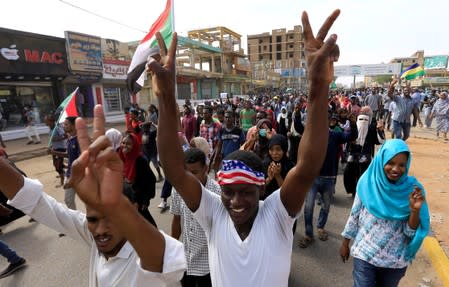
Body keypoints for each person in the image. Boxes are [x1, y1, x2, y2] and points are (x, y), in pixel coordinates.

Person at [151, 9, 340, 286]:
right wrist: (167, 99)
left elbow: (307, 166)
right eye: (228, 192)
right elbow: (174, 170)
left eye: (246, 192)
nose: (235, 202)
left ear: (262, 188)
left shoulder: (277, 213)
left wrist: (318, 87)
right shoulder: (214, 213)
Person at [0, 105, 186, 286]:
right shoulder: (90, 232)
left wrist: (117, 206)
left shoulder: (145, 251)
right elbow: (35, 202)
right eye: (93, 219)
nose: (100, 230)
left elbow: (170, 260)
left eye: (112, 217)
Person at [340, 139, 430, 287]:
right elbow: (354, 215)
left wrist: (414, 211)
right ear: (381, 160)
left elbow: (410, 233)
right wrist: (345, 243)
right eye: (390, 163)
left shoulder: (412, 190)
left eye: (401, 165)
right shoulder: (367, 182)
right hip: (365, 255)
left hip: (394, 262)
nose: (395, 169)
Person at [299, 111, 357, 248]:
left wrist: (353, 124)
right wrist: (296, 115)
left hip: (329, 179)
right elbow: (298, 127)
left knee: (325, 206)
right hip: (313, 178)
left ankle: (320, 227)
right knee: (308, 207)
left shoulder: (335, 136)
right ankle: (308, 234)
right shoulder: (311, 136)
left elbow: (352, 136)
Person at [170, 148, 221, 287]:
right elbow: (177, 220)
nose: (189, 177)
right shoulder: (178, 189)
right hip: (186, 260)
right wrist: (172, 249)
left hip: (209, 263)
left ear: (205, 168)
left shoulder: (218, 192)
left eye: (194, 172)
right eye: (186, 172)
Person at [119, 133, 158, 227]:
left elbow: (151, 180)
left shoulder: (140, 160)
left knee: (147, 224)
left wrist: (146, 200)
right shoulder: (122, 157)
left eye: (128, 144)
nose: (124, 145)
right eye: (123, 143)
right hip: (126, 198)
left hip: (138, 199)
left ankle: (158, 240)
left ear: (134, 145)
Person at [45, 114, 67, 187]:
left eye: (46, 121)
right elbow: (52, 141)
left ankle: (62, 182)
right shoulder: (51, 129)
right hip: (55, 148)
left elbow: (65, 135)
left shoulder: (57, 128)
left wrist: (56, 139)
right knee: (56, 164)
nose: (45, 122)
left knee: (58, 166)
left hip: (60, 149)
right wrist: (50, 147)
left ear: (51, 121)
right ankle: (63, 172)